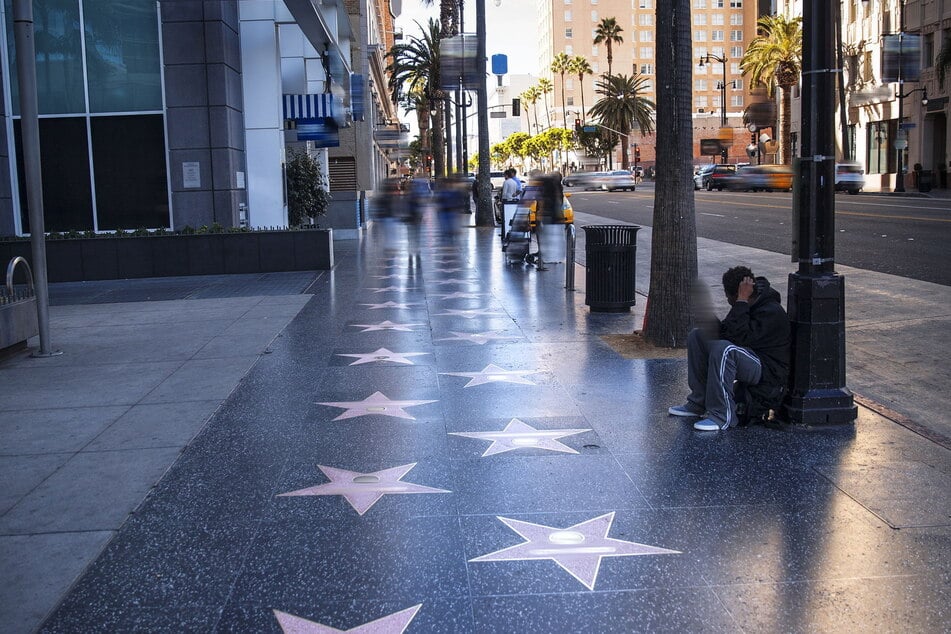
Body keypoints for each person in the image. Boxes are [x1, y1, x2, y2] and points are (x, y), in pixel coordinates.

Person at [668, 266, 790, 431]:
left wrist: (740, 302)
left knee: (724, 350)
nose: (728, 301)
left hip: (768, 370)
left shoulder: (771, 311)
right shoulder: (746, 305)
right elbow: (730, 332)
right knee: (697, 336)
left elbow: (738, 339)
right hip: (750, 356)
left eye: (728, 297)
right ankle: (698, 402)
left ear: (735, 295)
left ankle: (722, 415)